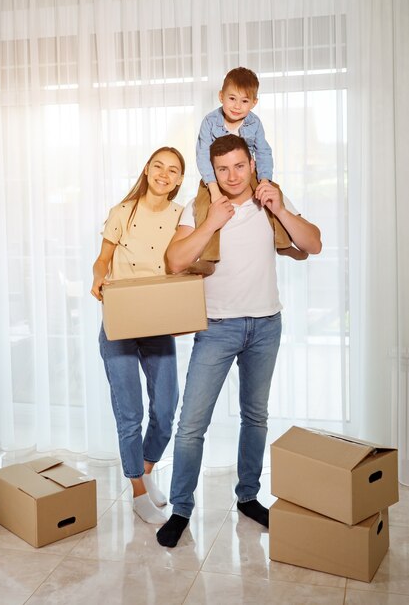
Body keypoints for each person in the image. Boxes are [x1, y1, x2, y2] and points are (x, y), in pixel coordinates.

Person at [156, 135, 321, 547]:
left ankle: (248, 496)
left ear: (252, 164)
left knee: (256, 416)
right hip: (216, 328)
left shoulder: (272, 200)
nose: (232, 176)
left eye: (239, 166)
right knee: (192, 424)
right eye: (222, 169)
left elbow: (313, 243)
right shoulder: (201, 207)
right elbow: (175, 261)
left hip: (266, 325)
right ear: (213, 171)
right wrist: (212, 221)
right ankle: (180, 508)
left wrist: (280, 208)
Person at [91, 146, 185, 525]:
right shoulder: (123, 212)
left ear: (180, 180)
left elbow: (182, 262)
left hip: (157, 323)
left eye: (173, 170)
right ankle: (138, 490)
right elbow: (102, 258)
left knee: (165, 408)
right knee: (129, 413)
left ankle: (145, 468)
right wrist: (98, 276)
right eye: (158, 166)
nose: (164, 174)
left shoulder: (182, 217)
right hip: (119, 324)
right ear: (147, 169)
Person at [194, 66, 307, 265]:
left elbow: (263, 152)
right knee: (205, 205)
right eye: (232, 98)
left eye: (244, 101)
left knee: (272, 196)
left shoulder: (254, 124)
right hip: (215, 176)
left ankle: (283, 243)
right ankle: (209, 257)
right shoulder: (210, 122)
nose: (237, 106)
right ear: (221, 96)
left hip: (247, 173)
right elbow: (203, 154)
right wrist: (213, 189)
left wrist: (264, 181)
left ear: (254, 103)